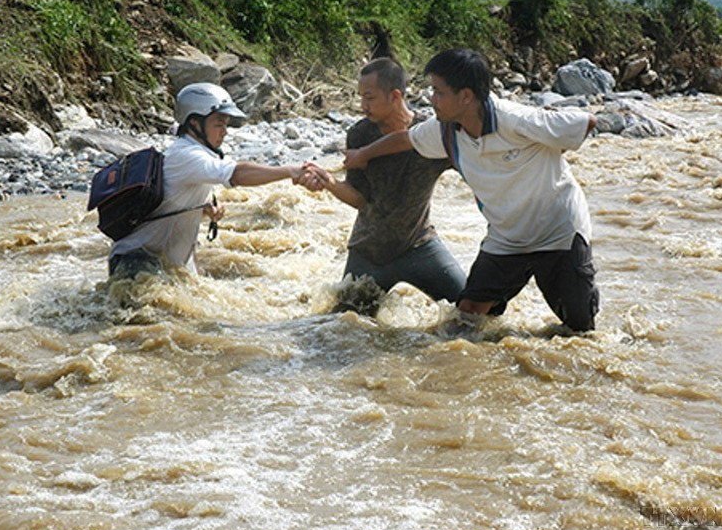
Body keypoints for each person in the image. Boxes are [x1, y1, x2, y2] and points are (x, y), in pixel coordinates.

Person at [344, 49, 600, 331]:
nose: (432, 99)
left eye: (439, 92)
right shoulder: (444, 130)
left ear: (465, 96)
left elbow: (586, 122)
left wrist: (545, 156)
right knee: (465, 322)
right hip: (507, 238)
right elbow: (406, 139)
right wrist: (364, 154)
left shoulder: (516, 119)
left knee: (579, 329)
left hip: (558, 233)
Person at [299, 57, 466, 314]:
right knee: (343, 329)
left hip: (419, 247)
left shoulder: (431, 132)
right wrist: (330, 183)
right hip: (369, 253)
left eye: (369, 98)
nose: (362, 106)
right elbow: (359, 199)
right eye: (360, 97)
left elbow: (471, 169)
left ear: (395, 96)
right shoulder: (360, 135)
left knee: (471, 311)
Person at [108, 82, 302, 278]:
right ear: (194, 124)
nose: (225, 132)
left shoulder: (196, 153)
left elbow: (172, 200)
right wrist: (288, 171)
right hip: (136, 262)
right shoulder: (187, 155)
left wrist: (205, 209)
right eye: (218, 124)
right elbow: (236, 174)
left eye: (226, 124)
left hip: (160, 262)